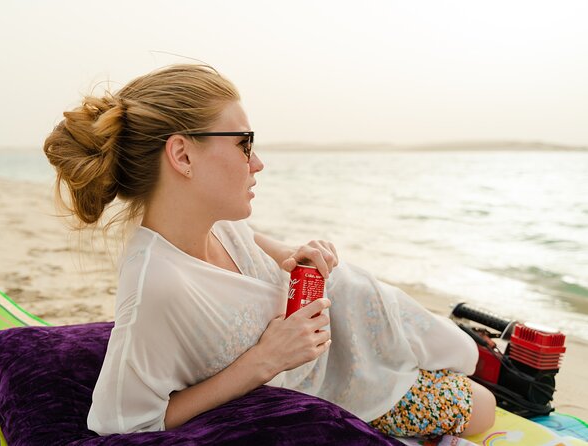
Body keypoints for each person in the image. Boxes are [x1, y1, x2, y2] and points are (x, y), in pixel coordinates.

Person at [43, 64, 496, 438]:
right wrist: (265, 360)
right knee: (483, 407)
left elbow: (263, 247)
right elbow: (126, 422)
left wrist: (296, 253)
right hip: (332, 381)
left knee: (466, 359)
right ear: (182, 156)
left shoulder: (221, 224)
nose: (257, 162)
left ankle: (466, 349)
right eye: (244, 145)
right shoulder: (156, 285)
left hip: (355, 322)